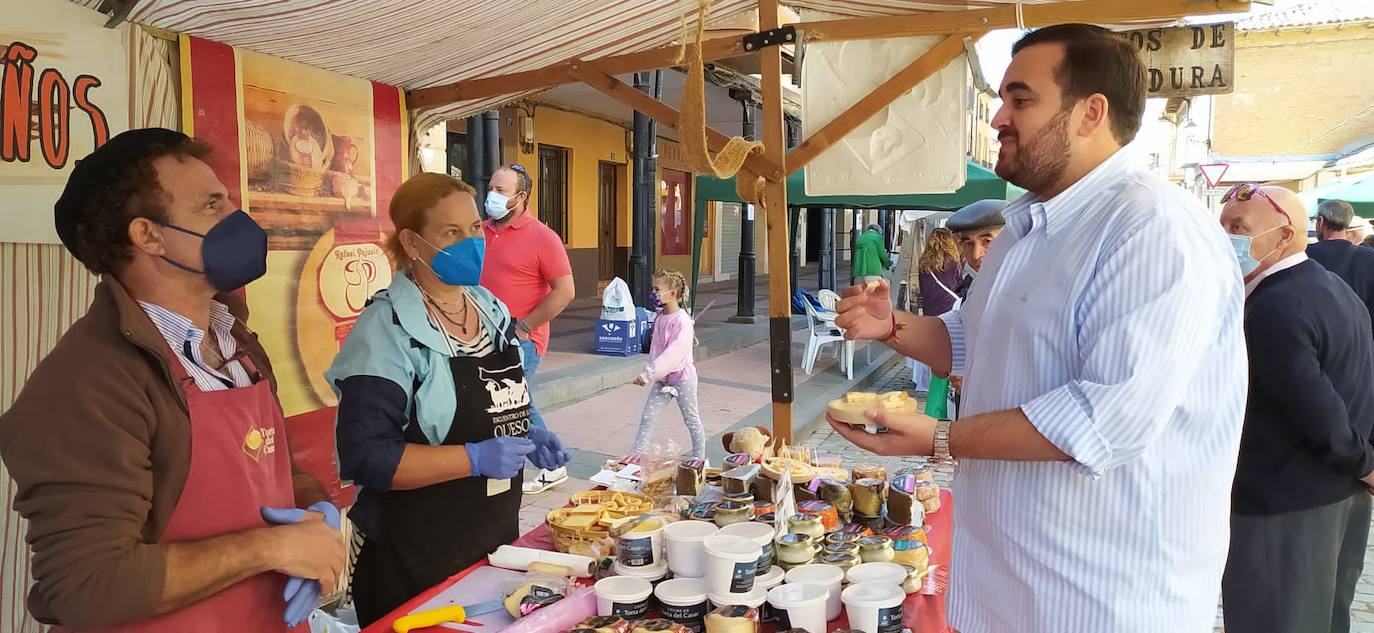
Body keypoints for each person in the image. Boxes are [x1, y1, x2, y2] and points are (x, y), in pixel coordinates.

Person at [827, 24, 1245, 632]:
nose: (998, 117)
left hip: (1100, 600)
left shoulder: (1152, 228)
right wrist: (891, 325)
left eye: (1020, 100)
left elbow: (1105, 419)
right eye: (1001, 99)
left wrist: (938, 437)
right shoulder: (1024, 229)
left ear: (1090, 113)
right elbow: (970, 340)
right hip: (1006, 585)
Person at [0, 128, 345, 632]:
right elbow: (85, 585)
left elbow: (271, 473)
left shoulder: (236, 344)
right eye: (211, 206)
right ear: (149, 236)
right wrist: (269, 547)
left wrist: (314, 509)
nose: (237, 219)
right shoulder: (87, 383)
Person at [327, 173, 571, 626]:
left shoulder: (489, 309)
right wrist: (474, 458)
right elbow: (367, 458)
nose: (471, 241)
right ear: (413, 243)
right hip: (411, 551)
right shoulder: (387, 329)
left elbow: (501, 395)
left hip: (491, 534)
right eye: (451, 233)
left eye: (475, 228)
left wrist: (526, 432)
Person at [1218, 183, 1374, 633]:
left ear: (1286, 235)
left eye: (1239, 228)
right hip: (1336, 497)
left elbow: (1316, 408)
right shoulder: (1334, 291)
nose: (1227, 238)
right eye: (1224, 226)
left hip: (1283, 507)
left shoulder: (1273, 305)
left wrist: (1365, 464)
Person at [480, 164, 575, 493]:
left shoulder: (543, 237)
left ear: (520, 197)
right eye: (490, 187)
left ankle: (552, 463)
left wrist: (524, 327)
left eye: (500, 191)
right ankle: (508, 464)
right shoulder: (479, 231)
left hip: (521, 341)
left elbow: (565, 292)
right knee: (504, 403)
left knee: (515, 402)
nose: (491, 195)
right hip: (482, 339)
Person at [630, 269, 706, 459]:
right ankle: (637, 455)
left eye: (657, 289)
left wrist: (649, 374)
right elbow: (656, 349)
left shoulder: (682, 321)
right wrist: (651, 372)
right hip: (663, 379)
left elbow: (674, 354)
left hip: (683, 379)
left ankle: (699, 459)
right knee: (648, 416)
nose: (653, 293)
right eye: (652, 288)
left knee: (691, 419)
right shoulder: (660, 318)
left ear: (672, 294)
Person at [1308, 198, 1374, 336]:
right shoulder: (1369, 257)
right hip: (1358, 338)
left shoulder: (1304, 255)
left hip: (1316, 334)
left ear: (1320, 222)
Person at [910, 228, 962, 391]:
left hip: (930, 309)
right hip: (948, 309)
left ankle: (927, 380)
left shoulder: (924, 263)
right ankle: (946, 378)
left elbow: (922, 288)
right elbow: (958, 284)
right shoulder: (953, 262)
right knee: (948, 347)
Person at [945, 199, 1008, 298]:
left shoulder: (1031, 290)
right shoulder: (972, 285)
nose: (976, 255)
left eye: (988, 241)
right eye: (968, 243)